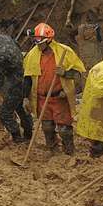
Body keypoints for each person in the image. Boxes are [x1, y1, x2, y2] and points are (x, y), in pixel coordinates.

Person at [23, 23, 85, 155]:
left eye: (39, 41)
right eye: (35, 41)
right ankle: (53, 150)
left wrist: (65, 73)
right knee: (47, 127)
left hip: (59, 97)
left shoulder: (64, 52)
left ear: (49, 40)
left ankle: (69, 151)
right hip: (41, 98)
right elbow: (27, 78)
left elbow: (78, 74)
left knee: (64, 129)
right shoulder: (32, 55)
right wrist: (25, 98)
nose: (37, 44)